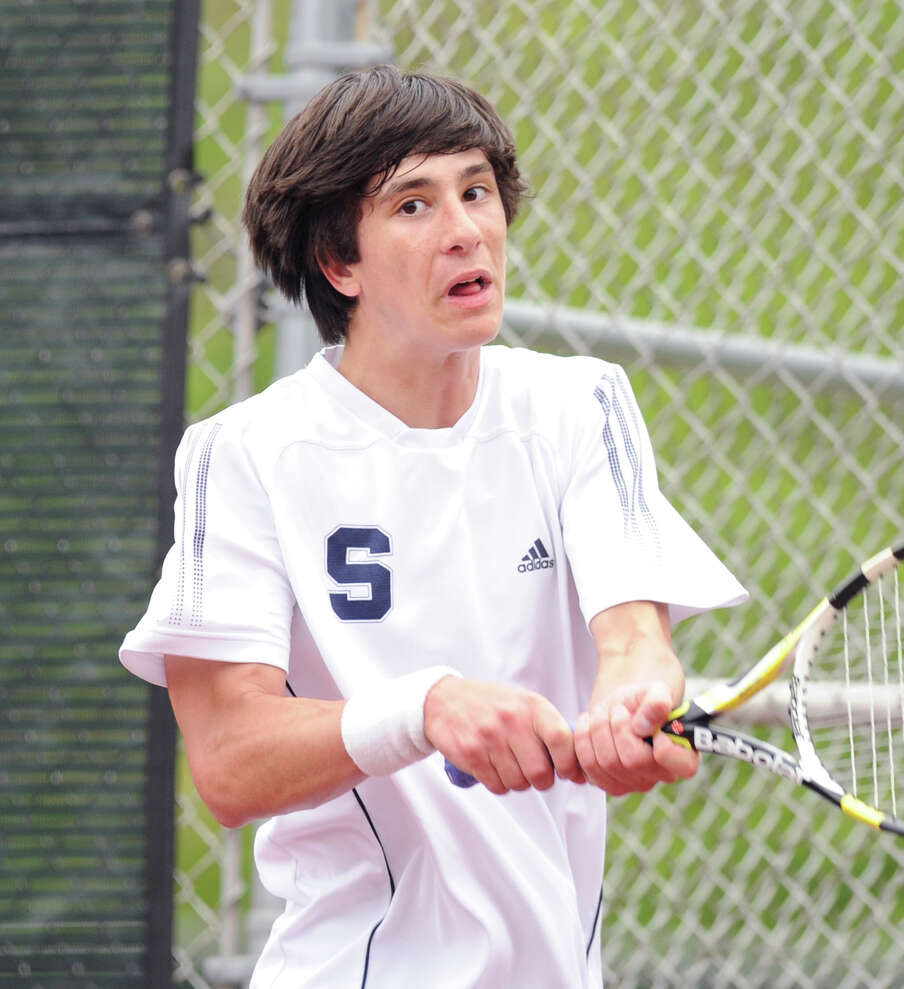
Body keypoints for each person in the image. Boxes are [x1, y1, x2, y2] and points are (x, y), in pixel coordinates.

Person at [120, 66, 746, 988]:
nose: (464, 230)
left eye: (477, 191)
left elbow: (636, 642)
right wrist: (423, 710)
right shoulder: (246, 454)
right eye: (413, 205)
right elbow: (229, 760)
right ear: (341, 264)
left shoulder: (581, 405)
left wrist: (633, 703)